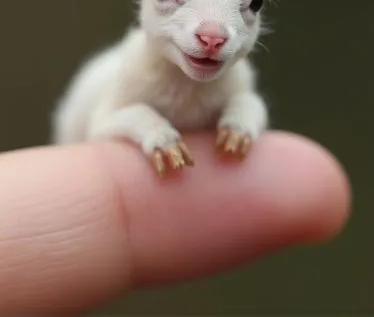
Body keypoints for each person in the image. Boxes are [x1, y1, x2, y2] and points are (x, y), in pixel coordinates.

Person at [0, 130, 350, 315]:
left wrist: (241, 122)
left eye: (254, 4)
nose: (212, 36)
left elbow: (246, 102)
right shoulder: (130, 70)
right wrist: (153, 133)